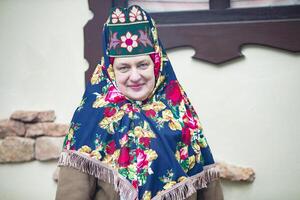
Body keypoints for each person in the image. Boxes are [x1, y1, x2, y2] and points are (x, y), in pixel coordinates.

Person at [56, 5, 223, 200]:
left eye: (143, 65)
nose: (135, 77)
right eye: (124, 67)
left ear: (157, 64)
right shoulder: (90, 118)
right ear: (110, 71)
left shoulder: (179, 112)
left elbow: (208, 190)